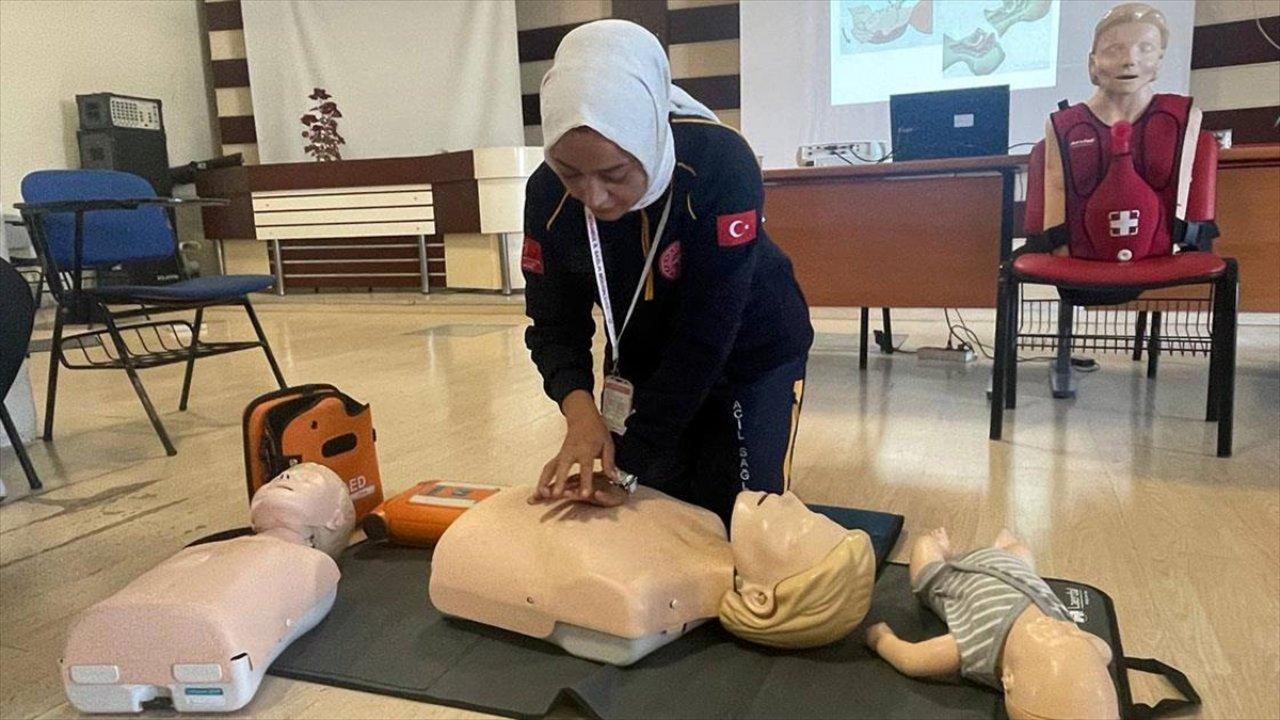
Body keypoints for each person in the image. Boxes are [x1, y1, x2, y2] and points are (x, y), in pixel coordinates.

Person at [522, 20, 813, 526]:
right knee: (654, 517)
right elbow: (553, 323)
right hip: (642, 358)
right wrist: (579, 411)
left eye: (614, 174)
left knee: (744, 519)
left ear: (649, 136)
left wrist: (630, 461)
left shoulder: (719, 163)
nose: (594, 197)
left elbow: (707, 333)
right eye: (571, 173)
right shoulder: (546, 194)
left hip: (748, 353)